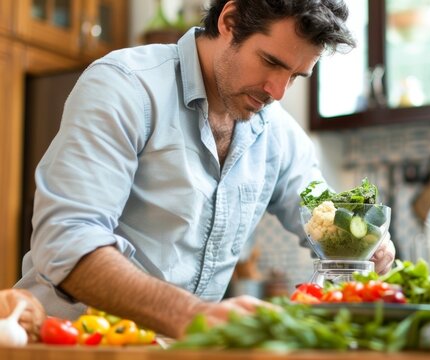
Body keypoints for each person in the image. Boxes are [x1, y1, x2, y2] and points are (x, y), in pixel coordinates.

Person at [15, 0, 395, 339]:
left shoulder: (280, 135)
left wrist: (369, 244)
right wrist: (194, 316)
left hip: (180, 347)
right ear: (229, 20)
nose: (278, 91)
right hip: (67, 341)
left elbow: (327, 221)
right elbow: (66, 241)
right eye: (271, 62)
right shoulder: (126, 85)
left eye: (295, 76)